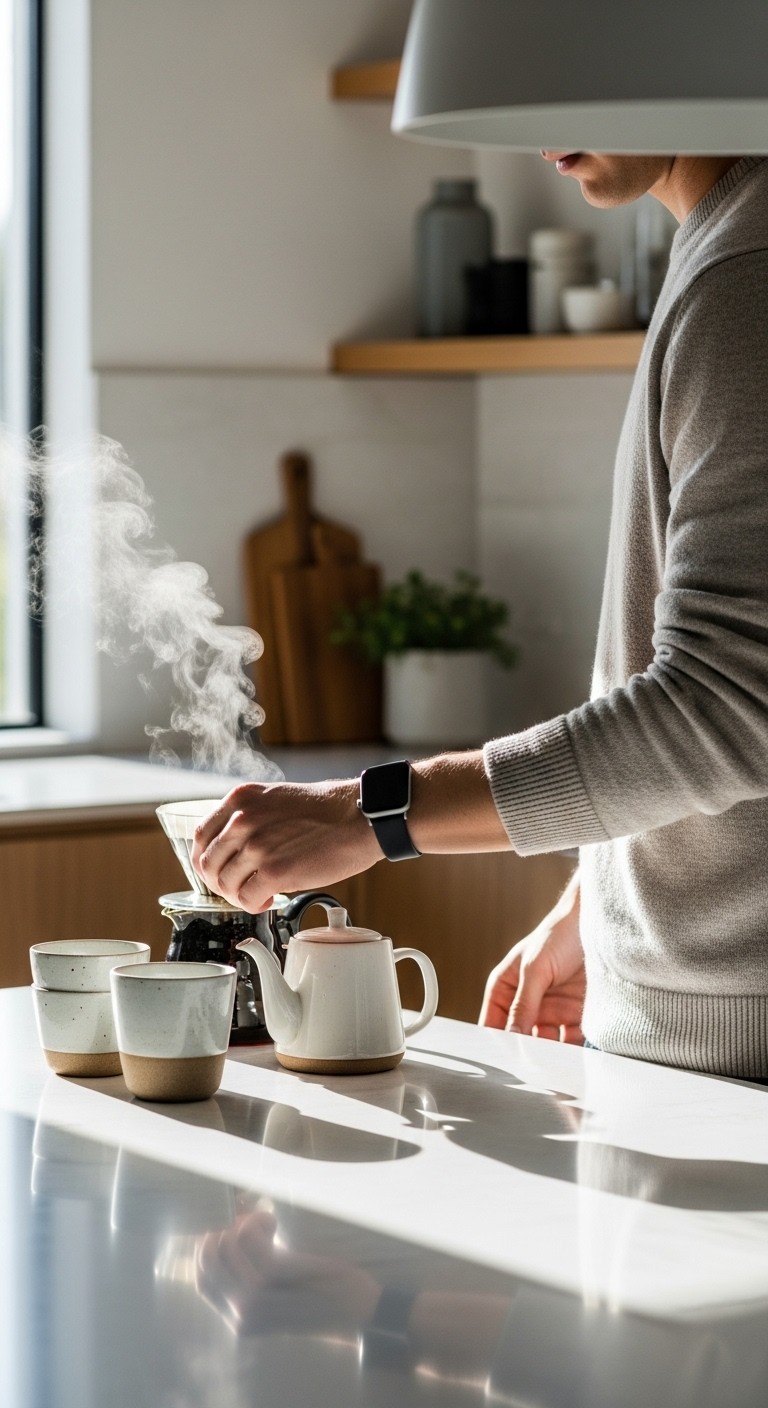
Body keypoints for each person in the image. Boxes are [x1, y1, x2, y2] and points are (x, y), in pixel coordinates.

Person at [192, 153, 768, 1081]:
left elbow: (730, 702)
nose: (530, 131)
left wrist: (366, 812)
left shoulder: (749, 273)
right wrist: (599, 906)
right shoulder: (723, 246)